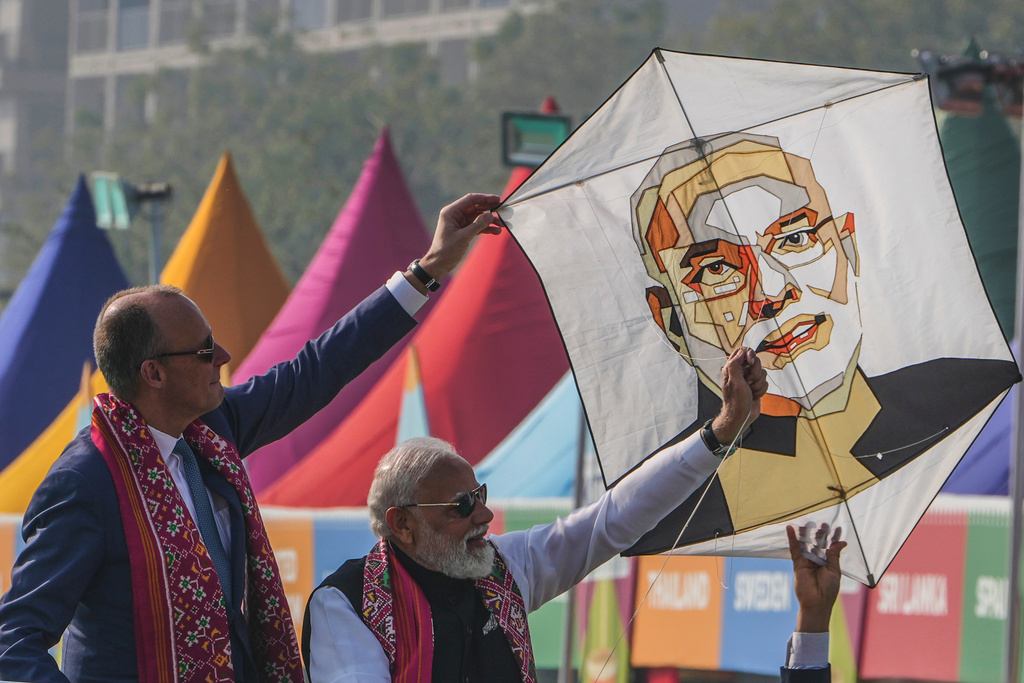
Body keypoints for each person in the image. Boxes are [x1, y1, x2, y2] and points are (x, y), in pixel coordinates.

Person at [0, 193, 502, 683]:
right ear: (153, 373)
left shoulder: (210, 431)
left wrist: (430, 268)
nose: (222, 356)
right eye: (202, 351)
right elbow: (14, 640)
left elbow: (318, 368)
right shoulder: (85, 483)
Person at [305, 347, 837, 682]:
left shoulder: (499, 567)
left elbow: (612, 519)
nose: (484, 515)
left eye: (481, 494)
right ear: (402, 523)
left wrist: (719, 434)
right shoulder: (345, 604)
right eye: (462, 505)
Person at [626, 132, 1017, 554]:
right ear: (670, 321)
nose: (775, 292)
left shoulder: (967, 402)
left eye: (796, 239)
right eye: (717, 269)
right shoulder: (664, 509)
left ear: (848, 247)